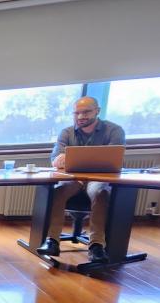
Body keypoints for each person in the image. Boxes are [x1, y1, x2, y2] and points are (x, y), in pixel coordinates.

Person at [36, 97, 125, 263]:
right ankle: (52, 241)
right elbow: (54, 158)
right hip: (73, 179)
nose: (80, 116)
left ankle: (96, 246)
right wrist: (58, 159)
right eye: (77, 113)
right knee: (58, 191)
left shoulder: (114, 131)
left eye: (86, 112)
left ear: (97, 111)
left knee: (101, 192)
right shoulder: (67, 132)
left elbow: (115, 159)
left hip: (98, 179)